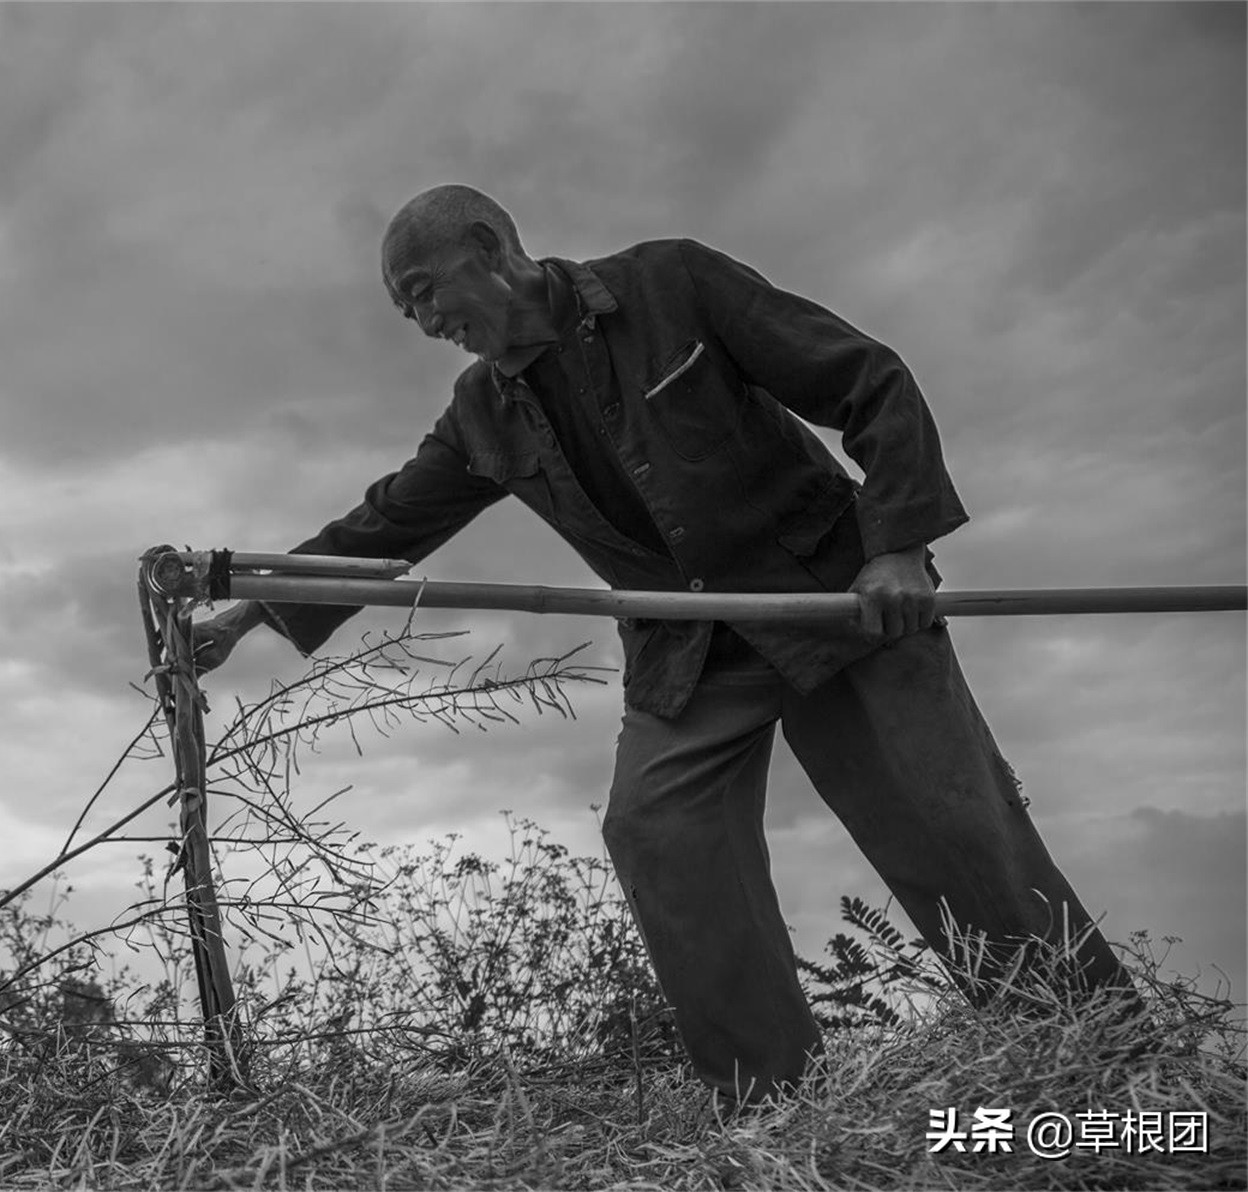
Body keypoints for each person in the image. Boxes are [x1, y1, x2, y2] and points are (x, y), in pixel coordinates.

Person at [193, 184, 1135, 1106]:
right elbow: (385, 522)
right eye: (407, 308)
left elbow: (866, 378)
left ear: (488, 248)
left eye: (425, 289)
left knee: (947, 822)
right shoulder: (481, 413)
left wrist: (896, 549)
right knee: (657, 830)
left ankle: (1100, 1067)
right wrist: (251, 608)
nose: (424, 317)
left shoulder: (671, 284)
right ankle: (773, 1104)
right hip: (687, 650)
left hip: (834, 606)